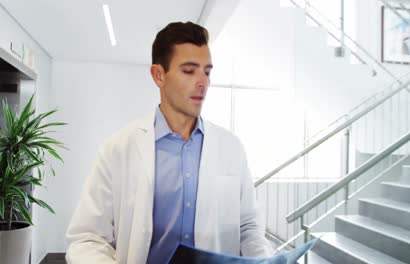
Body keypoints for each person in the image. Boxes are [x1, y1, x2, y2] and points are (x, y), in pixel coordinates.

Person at [65, 21, 273, 264]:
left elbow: (248, 227)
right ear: (158, 75)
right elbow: (87, 238)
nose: (203, 82)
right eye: (189, 70)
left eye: (207, 71)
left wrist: (265, 259)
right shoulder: (119, 148)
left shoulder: (231, 147)